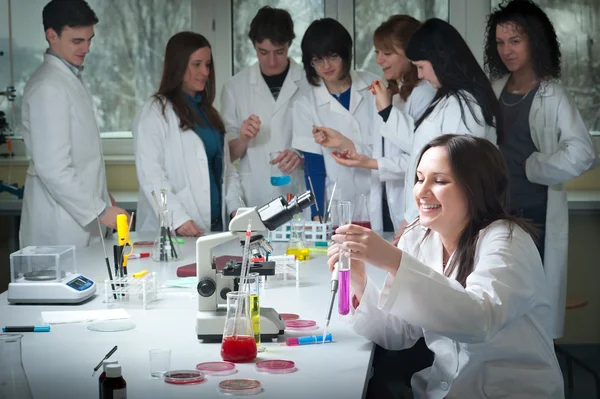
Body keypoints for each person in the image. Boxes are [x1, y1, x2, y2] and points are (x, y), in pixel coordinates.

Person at [329, 134, 564, 398]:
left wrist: (394, 261)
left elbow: (479, 320)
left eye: (439, 181)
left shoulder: (508, 240)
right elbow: (398, 333)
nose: (421, 191)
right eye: (419, 178)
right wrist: (359, 281)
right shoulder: (418, 237)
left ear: (476, 188)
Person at [484, 0, 595, 338]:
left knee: (530, 309)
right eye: (500, 43)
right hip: (497, 212)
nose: (506, 50)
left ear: (535, 41)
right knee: (498, 302)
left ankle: (535, 381)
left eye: (515, 41)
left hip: (536, 215)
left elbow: (583, 153)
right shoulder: (496, 90)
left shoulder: (553, 94)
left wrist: (536, 166)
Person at [376, 18, 499, 242]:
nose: (420, 75)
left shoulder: (466, 106)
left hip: (449, 221)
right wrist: (412, 217)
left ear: (442, 60)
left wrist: (413, 218)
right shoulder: (448, 100)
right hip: (432, 216)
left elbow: (454, 173)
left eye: (421, 67)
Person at [19, 0, 128, 249]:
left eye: (90, 39)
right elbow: (54, 168)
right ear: (51, 35)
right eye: (78, 41)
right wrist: (99, 209)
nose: (87, 48)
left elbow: (83, 157)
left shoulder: (69, 78)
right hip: (60, 225)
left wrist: (102, 197)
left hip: (79, 217)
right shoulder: (47, 87)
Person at [330, 15, 436, 232]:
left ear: (411, 55)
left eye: (387, 53)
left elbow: (420, 156)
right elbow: (386, 150)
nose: (379, 60)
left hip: (411, 205)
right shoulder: (393, 94)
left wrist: (387, 113)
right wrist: (359, 155)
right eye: (377, 52)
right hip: (387, 202)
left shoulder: (424, 93)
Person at [133, 32, 242, 235]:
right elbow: (151, 172)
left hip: (216, 227)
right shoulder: (156, 111)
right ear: (178, 65)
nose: (205, 71)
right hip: (178, 229)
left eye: (207, 65)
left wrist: (236, 208)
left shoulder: (209, 114)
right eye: (197, 64)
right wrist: (178, 219)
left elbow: (226, 172)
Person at [291, 18, 382, 229]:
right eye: (318, 60)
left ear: (346, 53)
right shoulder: (306, 104)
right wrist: (317, 214)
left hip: (380, 195)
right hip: (338, 200)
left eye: (333, 56)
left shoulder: (374, 86)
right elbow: (313, 167)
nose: (326, 66)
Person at [221, 6, 309, 207]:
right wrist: (243, 138)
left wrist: (300, 153)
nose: (271, 61)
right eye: (263, 52)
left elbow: (323, 140)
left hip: (297, 190)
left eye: (279, 52)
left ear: (289, 44)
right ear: (254, 46)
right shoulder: (235, 87)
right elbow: (228, 155)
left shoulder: (309, 82)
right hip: (255, 192)